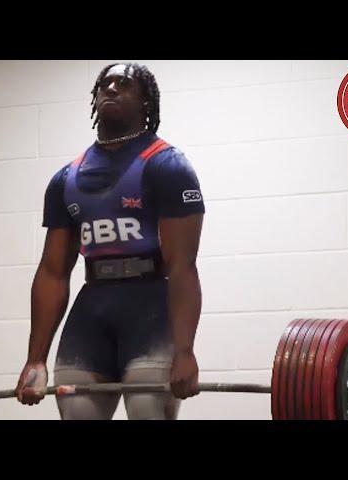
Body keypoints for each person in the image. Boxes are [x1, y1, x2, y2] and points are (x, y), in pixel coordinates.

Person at [14, 62, 205, 419]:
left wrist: (184, 351)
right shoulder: (65, 180)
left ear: (146, 101)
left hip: (150, 312)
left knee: (148, 409)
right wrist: (35, 358)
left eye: (124, 84)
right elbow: (53, 273)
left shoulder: (168, 167)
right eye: (105, 83)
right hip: (91, 316)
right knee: (77, 413)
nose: (112, 89)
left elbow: (182, 267)